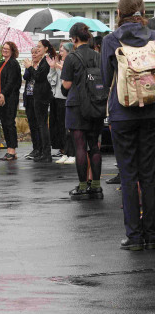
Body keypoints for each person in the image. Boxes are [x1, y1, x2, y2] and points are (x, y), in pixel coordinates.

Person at [101, 0, 155, 250]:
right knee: (150, 174)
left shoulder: (111, 40)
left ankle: (133, 237)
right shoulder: (153, 37)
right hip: (152, 112)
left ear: (119, 13)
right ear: (142, 11)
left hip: (122, 113)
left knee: (128, 174)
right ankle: (152, 234)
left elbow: (105, 77)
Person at [61, 23, 104, 201]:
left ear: (75, 39)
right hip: (96, 104)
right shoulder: (98, 55)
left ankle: (81, 186)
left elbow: (66, 85)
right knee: (94, 146)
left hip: (77, 106)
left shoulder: (72, 58)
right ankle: (96, 186)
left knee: (80, 146)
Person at [23, 40, 55, 163]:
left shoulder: (46, 60)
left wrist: (30, 67)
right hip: (38, 95)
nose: (38, 49)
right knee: (39, 124)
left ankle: (46, 153)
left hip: (42, 95)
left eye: (40, 47)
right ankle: (42, 151)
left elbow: (38, 77)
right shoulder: (43, 60)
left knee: (42, 125)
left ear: (46, 48)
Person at [0, 42, 22, 161]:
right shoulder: (4, 63)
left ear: (12, 50)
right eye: (3, 48)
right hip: (1, 96)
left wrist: (3, 93)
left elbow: (11, 82)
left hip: (9, 97)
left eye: (7, 49)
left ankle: (12, 150)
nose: (5, 50)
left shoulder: (13, 63)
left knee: (9, 123)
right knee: (5, 123)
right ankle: (10, 149)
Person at [48, 42, 76, 165]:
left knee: (70, 128)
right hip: (58, 97)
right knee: (61, 127)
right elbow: (52, 80)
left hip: (69, 99)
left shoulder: (71, 63)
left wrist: (61, 68)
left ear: (69, 51)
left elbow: (71, 81)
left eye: (62, 49)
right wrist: (53, 68)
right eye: (59, 49)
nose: (60, 52)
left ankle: (72, 153)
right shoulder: (60, 63)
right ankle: (65, 152)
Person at [22, 47, 40, 159]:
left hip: (37, 97)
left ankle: (40, 148)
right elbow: (25, 77)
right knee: (32, 124)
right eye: (32, 53)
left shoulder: (42, 65)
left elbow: (38, 77)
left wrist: (31, 68)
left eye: (36, 53)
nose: (33, 55)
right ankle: (35, 148)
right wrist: (28, 67)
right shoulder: (30, 65)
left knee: (39, 124)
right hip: (28, 97)